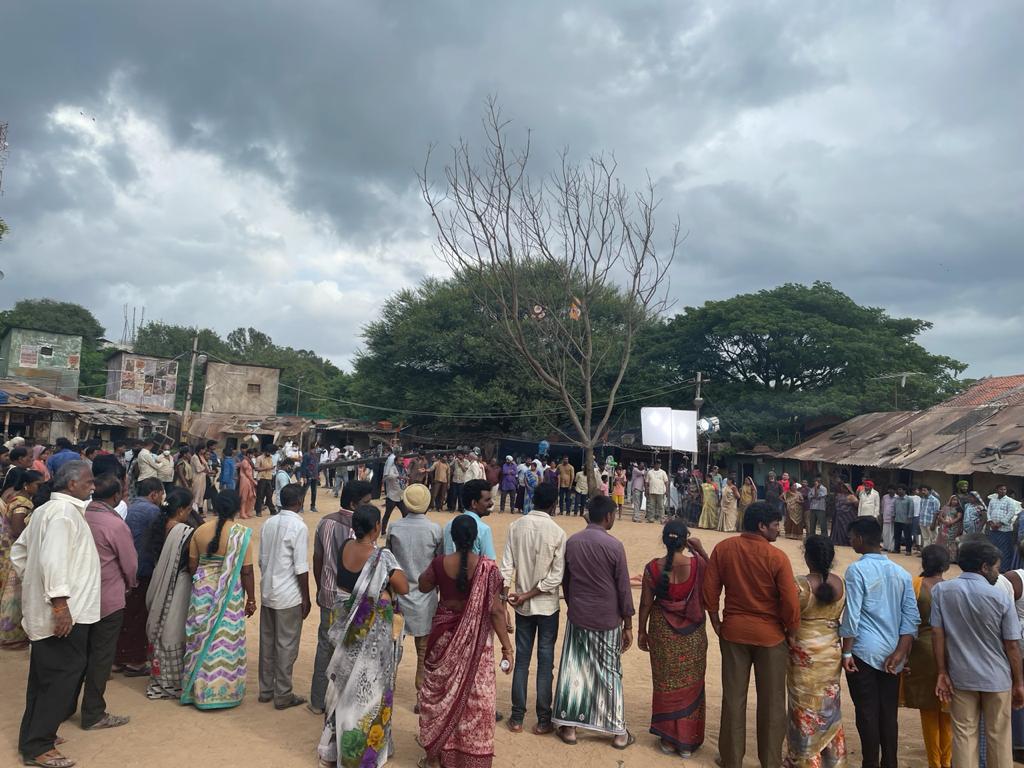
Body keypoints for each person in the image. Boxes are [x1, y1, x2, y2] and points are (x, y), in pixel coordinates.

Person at [12, 461, 99, 768]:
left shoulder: (51, 511)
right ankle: (39, 746)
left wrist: (36, 587)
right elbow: (53, 561)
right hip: (65, 614)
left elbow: (20, 554)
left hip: (60, 609)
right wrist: (59, 605)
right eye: (88, 481)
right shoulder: (61, 514)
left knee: (44, 677)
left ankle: (35, 736)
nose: (93, 486)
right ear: (72, 484)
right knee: (62, 676)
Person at [702, 502, 800, 768]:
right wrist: (791, 632)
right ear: (761, 526)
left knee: (733, 698)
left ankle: (732, 759)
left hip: (733, 632)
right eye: (776, 525)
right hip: (771, 637)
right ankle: (769, 760)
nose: (778, 529)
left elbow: (709, 593)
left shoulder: (724, 548)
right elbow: (790, 602)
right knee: (772, 702)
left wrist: (717, 623)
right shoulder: (777, 557)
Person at [317, 504, 409, 767]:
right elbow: (404, 586)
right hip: (370, 635)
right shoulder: (382, 557)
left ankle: (335, 746)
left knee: (344, 686)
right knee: (369, 690)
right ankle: (363, 751)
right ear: (377, 527)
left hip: (346, 626)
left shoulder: (345, 546)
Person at [933, 537, 1024, 768]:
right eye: (995, 567)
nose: (998, 572)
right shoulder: (1001, 596)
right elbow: (1012, 644)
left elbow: (938, 634)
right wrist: (1019, 682)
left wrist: (942, 671)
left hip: (960, 676)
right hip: (997, 677)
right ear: (984, 566)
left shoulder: (942, 591)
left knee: (963, 735)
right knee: (999, 736)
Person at [553, 495, 635, 749]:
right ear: (608, 517)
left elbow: (566, 581)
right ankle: (617, 730)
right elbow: (623, 588)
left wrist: (574, 603)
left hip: (579, 614)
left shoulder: (573, 542)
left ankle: (570, 727)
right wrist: (629, 624)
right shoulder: (615, 546)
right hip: (608, 617)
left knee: (575, 668)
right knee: (609, 671)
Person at [839, 517, 920, 768]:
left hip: (863, 651)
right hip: (892, 653)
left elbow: (852, 615)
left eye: (852, 538)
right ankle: (890, 763)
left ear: (861, 540)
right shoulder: (902, 573)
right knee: (888, 713)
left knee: (866, 712)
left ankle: (870, 763)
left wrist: (846, 653)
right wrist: (901, 652)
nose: (851, 542)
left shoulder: (856, 570)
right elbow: (911, 617)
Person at [638, 520, 709, 758]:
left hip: (662, 631)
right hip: (693, 634)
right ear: (685, 540)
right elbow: (714, 579)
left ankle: (668, 739)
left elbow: (646, 603)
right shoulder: (698, 565)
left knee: (665, 682)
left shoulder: (652, 568)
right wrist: (699, 550)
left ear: (664, 539)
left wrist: (641, 631)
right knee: (691, 683)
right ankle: (686, 742)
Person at [499, 482, 565, 735]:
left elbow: (506, 568)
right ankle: (543, 719)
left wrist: (508, 600)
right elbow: (555, 578)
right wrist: (529, 594)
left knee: (523, 660)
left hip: (520, 606)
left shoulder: (516, 527)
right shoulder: (558, 533)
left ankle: (517, 718)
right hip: (547, 606)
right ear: (553, 504)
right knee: (545, 662)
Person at [181, 489, 256, 709]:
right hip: (229, 594)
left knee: (199, 638)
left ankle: (198, 691)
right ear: (236, 507)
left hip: (202, 591)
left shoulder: (200, 531)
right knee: (225, 639)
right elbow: (247, 572)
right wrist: (251, 599)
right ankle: (224, 692)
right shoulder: (242, 534)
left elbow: (193, 566)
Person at [75, 473, 135, 731]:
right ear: (115, 496)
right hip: (107, 599)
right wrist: (129, 585)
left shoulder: (79, 516)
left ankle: (67, 706)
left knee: (77, 655)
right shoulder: (115, 525)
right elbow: (130, 565)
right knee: (101, 657)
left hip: (77, 597)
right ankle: (93, 713)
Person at [309, 479, 374, 715]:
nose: (370, 506)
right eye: (366, 502)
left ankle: (317, 700)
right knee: (350, 649)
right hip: (350, 598)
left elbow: (318, 558)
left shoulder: (325, 522)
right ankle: (341, 705)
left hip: (328, 593)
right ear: (355, 503)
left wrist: (319, 586)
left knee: (325, 646)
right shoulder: (360, 529)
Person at [785, 534, 848, 767]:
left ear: (807, 556)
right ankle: (834, 758)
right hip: (831, 652)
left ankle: (804, 758)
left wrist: (790, 636)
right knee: (829, 705)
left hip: (803, 653)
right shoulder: (840, 583)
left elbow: (788, 619)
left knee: (803, 705)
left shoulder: (799, 585)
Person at [387, 483, 443, 713]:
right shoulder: (435, 530)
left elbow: (388, 562)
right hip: (425, 597)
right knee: (423, 652)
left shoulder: (394, 527)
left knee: (392, 651)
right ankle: (421, 698)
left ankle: (386, 693)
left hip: (398, 596)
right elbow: (438, 564)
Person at [257, 482, 310, 710]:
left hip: (269, 591)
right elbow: (301, 567)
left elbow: (261, 559)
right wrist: (305, 598)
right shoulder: (299, 527)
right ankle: (283, 693)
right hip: (288, 594)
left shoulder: (269, 522)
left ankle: (266, 689)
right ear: (299, 502)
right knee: (286, 644)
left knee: (268, 642)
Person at [901, 545, 953, 768]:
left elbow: (906, 621)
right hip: (949, 651)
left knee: (928, 709)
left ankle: (934, 762)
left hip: (922, 651)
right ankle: (947, 760)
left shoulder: (915, 584)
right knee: (948, 709)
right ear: (945, 565)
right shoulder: (952, 588)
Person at [144, 488, 195, 700]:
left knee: (163, 627)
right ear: (182, 510)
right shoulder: (184, 531)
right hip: (178, 585)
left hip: (159, 581)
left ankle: (161, 675)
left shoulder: (160, 526)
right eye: (190, 508)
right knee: (173, 629)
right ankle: (172, 680)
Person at [119, 477, 166, 676]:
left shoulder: (128, 508)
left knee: (126, 615)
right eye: (161, 495)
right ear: (154, 494)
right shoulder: (153, 511)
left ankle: (119, 657)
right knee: (139, 616)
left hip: (124, 568)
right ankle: (135, 661)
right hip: (143, 568)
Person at [0, 468, 42, 649]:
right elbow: (18, 530)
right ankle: (11, 634)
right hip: (15, 551)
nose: (39, 488)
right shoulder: (22, 504)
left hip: (9, 549)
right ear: (27, 485)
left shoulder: (14, 497)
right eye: (37, 485)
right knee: (13, 594)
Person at [445, 479, 496, 559]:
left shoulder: (449, 524)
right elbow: (489, 564)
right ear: (474, 504)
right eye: (487, 500)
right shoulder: (484, 529)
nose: (491, 503)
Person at [986, 484, 1019, 574]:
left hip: (1004, 530)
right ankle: (994, 568)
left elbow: (1011, 513)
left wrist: (1000, 523)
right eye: (1001, 489)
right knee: (994, 549)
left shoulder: (1009, 501)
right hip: (993, 529)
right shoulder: (993, 500)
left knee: (1004, 550)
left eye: (1004, 489)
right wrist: (991, 522)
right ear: (996, 490)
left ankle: (1004, 569)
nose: (1003, 491)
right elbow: (989, 511)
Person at [381, 451, 407, 535]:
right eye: (400, 460)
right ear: (396, 461)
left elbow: (406, 477)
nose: (402, 462)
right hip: (392, 496)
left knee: (406, 514)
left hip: (400, 496)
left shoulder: (403, 469)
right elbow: (389, 476)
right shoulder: (392, 468)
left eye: (402, 460)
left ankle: (404, 531)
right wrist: (399, 476)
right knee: (387, 515)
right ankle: (383, 532)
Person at [830, 482, 859, 548]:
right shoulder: (838, 495)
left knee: (846, 529)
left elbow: (857, 504)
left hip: (847, 517)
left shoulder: (851, 496)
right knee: (838, 529)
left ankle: (847, 542)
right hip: (838, 516)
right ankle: (838, 541)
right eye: (842, 488)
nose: (843, 489)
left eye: (845, 488)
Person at [936, 495, 964, 564]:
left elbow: (959, 517)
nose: (954, 501)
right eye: (953, 500)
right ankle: (942, 557)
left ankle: (952, 558)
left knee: (951, 542)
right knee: (942, 541)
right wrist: (944, 521)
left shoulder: (959, 508)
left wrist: (951, 522)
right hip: (944, 527)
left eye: (956, 500)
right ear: (950, 500)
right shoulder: (945, 507)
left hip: (953, 527)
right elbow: (940, 516)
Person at [254, 446, 276, 517]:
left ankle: (272, 511)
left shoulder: (271, 458)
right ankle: (258, 511)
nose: (269, 453)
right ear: (265, 451)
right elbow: (256, 468)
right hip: (261, 478)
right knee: (260, 496)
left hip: (269, 478)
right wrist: (267, 468)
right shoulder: (259, 458)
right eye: (269, 452)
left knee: (269, 495)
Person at [919, 485, 941, 551]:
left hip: (931, 522)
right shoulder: (922, 499)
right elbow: (921, 510)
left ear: (930, 491)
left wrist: (934, 524)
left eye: (925, 490)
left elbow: (936, 513)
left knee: (934, 539)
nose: (923, 492)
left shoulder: (935, 500)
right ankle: (925, 553)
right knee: (925, 538)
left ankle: (934, 553)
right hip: (922, 522)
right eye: (922, 490)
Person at [300, 444, 321, 513]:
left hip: (314, 476)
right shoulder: (306, 455)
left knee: (314, 492)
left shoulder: (316, 456)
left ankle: (313, 506)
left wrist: (318, 475)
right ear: (311, 449)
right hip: (308, 476)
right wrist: (304, 476)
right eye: (314, 449)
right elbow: (303, 466)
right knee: (304, 492)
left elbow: (317, 466)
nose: (315, 450)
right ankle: (301, 506)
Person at [238, 447, 256, 519]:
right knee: (244, 497)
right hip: (245, 480)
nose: (252, 456)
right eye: (251, 454)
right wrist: (253, 481)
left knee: (250, 496)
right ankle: (242, 512)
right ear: (248, 454)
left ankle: (247, 512)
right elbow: (247, 473)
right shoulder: (245, 461)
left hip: (249, 480)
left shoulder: (249, 461)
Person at [880, 485, 897, 552]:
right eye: (889, 489)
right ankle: (885, 547)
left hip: (893, 518)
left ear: (895, 491)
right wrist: (881, 515)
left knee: (892, 533)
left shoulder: (897, 498)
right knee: (885, 533)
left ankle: (891, 547)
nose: (890, 491)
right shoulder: (885, 497)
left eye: (892, 489)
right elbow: (882, 506)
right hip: (885, 517)